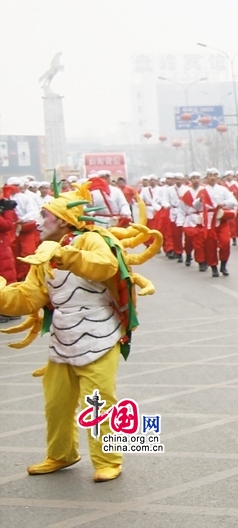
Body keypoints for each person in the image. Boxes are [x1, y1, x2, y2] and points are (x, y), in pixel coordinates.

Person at [0, 183, 160, 483]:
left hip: (100, 335)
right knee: (56, 403)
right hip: (62, 339)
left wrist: (65, 256)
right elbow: (28, 297)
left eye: (45, 217)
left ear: (62, 220)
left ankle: (108, 460)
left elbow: (105, 266)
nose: (38, 222)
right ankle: (61, 454)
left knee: (99, 400)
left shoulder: (92, 240)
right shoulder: (43, 253)